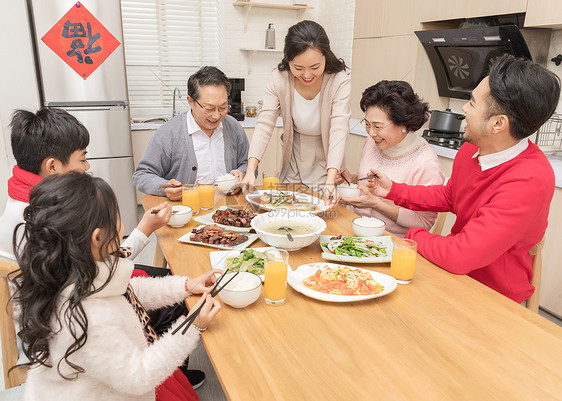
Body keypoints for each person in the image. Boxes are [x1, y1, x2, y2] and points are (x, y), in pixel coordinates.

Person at [0, 107, 206, 389]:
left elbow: (104, 262)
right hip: (48, 332)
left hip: (67, 301)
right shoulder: (39, 221)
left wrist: (145, 233)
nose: (86, 167)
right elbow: (105, 263)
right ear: (52, 167)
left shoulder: (31, 199)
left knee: (159, 278)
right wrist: (143, 231)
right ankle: (167, 372)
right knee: (167, 295)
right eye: (82, 159)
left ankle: (172, 373)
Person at [367, 55, 561, 303]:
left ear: (498, 123)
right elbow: (450, 196)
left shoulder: (529, 180)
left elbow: (460, 256)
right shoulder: (473, 148)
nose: (464, 109)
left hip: (492, 297)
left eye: (471, 103)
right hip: (451, 275)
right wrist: (393, 190)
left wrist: (412, 238)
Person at [12, 172, 222, 400]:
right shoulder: (89, 318)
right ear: (98, 237)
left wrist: (187, 285)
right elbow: (140, 376)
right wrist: (192, 325)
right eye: (117, 217)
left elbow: (134, 289)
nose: (122, 226)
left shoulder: (74, 271)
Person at [241, 20, 351, 194]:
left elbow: (339, 130)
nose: (307, 75)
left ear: (326, 56)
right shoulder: (279, 78)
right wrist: (250, 170)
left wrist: (330, 180)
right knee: (287, 209)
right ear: (288, 59)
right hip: (293, 158)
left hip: (328, 162)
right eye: (298, 68)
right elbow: (264, 124)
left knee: (324, 213)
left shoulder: (338, 80)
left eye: (315, 67)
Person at [337, 81, 445, 236]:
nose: (371, 133)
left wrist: (377, 205)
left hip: (391, 242)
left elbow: (424, 222)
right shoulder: (371, 144)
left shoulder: (426, 164)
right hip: (351, 229)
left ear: (403, 124)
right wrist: (353, 180)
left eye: (378, 126)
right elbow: (370, 185)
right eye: (367, 124)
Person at [133, 66, 250, 201]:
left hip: (226, 209)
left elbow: (247, 162)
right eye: (209, 108)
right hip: (186, 210)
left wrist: (242, 173)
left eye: (223, 107)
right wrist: (164, 188)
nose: (217, 115)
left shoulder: (233, 127)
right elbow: (142, 175)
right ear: (191, 101)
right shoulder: (169, 133)